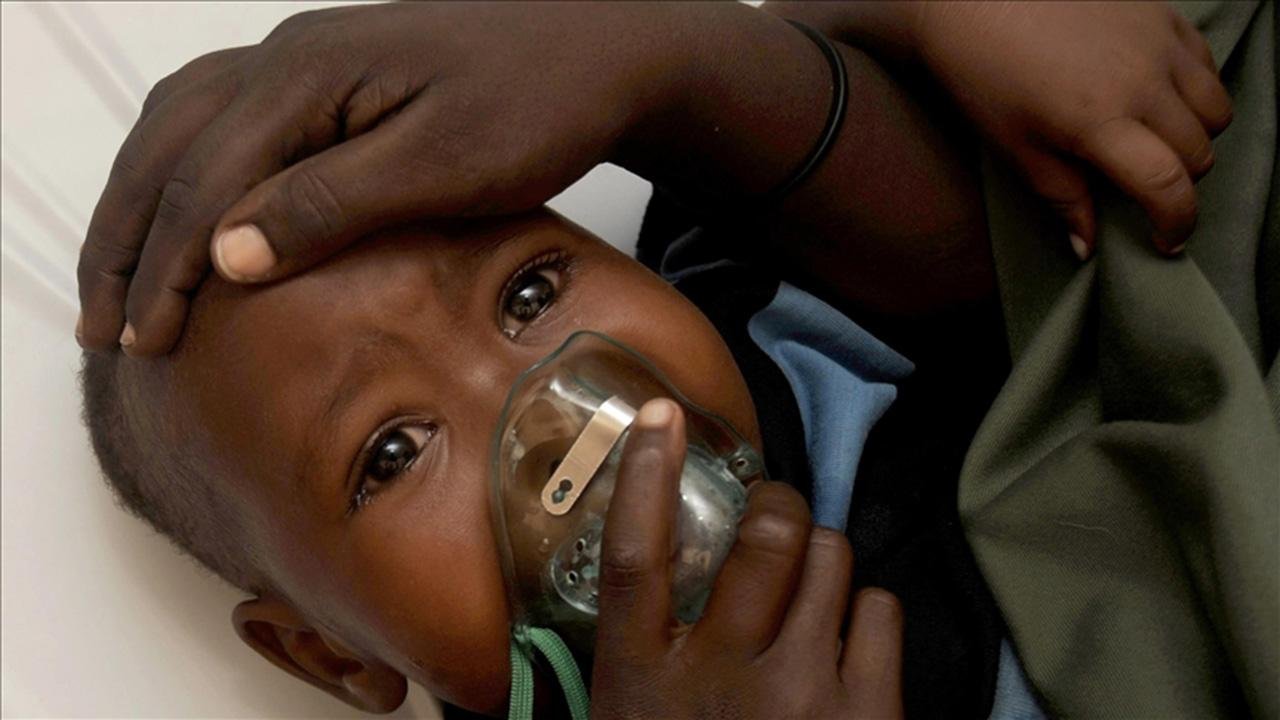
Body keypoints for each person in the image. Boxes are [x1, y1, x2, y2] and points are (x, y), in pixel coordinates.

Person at [75, 2, 1248, 718]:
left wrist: (651, 51)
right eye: (391, 453)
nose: (561, 423)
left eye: (530, 294)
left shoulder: (760, 316)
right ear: (325, 653)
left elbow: (943, 229)